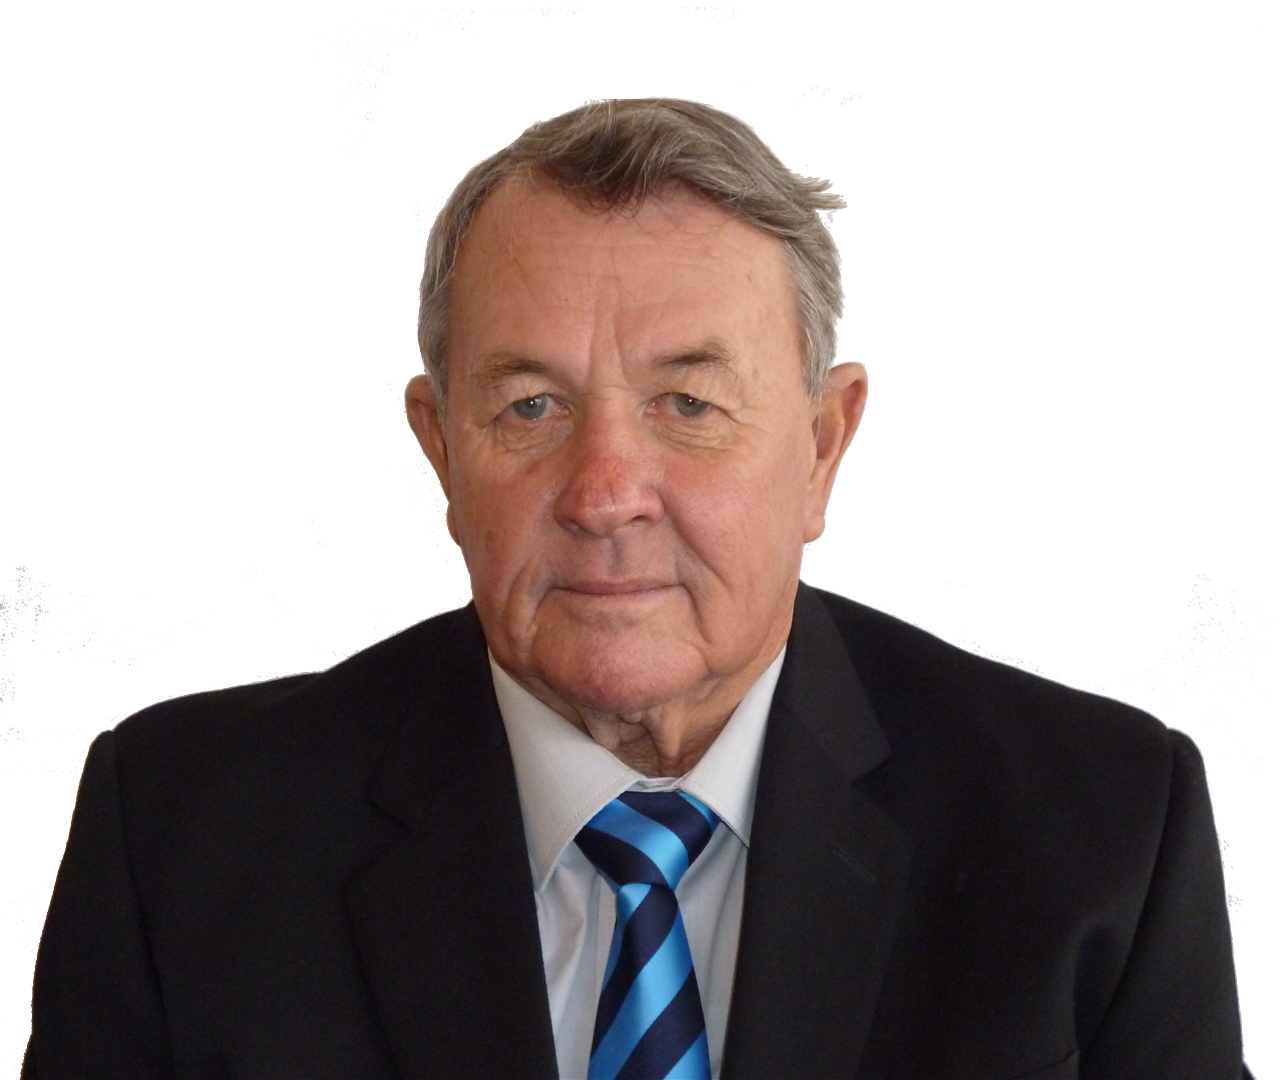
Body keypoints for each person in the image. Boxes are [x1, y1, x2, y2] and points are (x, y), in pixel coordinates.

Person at [22, 97, 1249, 1080]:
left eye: (688, 404)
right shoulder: (176, 829)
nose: (605, 493)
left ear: (823, 444)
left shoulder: (1099, 823)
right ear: (439, 449)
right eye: (530, 406)